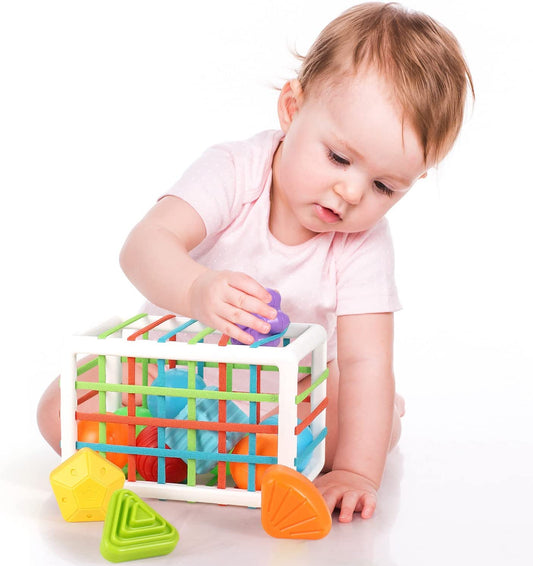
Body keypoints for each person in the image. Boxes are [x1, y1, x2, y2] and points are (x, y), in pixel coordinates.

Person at [37, 2, 473, 522]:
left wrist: (356, 471)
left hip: (285, 398)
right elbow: (143, 246)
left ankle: (373, 422)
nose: (352, 192)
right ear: (292, 108)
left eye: (384, 186)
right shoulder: (234, 172)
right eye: (338, 157)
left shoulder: (365, 244)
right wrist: (197, 289)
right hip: (173, 371)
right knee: (57, 414)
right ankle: (180, 445)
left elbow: (365, 362)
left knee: (361, 416)